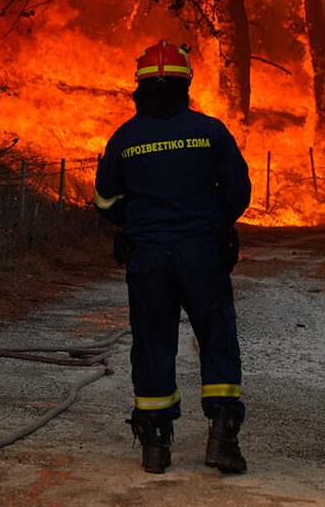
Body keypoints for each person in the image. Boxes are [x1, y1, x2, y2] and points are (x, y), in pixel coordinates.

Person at [93, 39, 252, 474]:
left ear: (139, 88)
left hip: (148, 261)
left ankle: (156, 447)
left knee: (153, 343)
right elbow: (239, 192)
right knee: (217, 338)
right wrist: (214, 223)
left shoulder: (125, 138)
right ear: (185, 85)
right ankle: (222, 438)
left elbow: (104, 201)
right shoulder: (211, 132)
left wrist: (137, 223)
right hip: (203, 257)